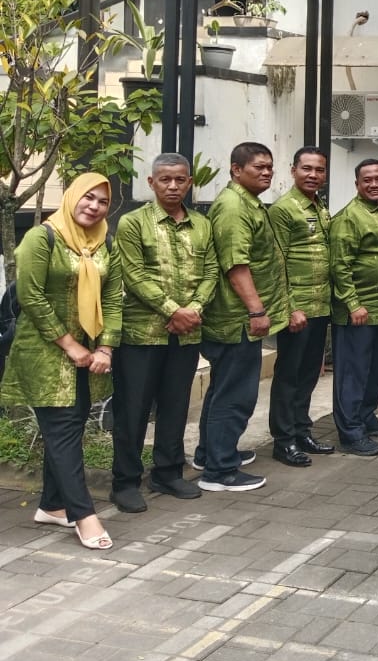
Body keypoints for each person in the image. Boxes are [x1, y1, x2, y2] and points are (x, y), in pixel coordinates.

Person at [1, 174, 119, 549]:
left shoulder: (104, 242)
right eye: (88, 197)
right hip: (44, 352)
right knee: (64, 429)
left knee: (72, 423)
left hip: (88, 353)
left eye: (102, 201)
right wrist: (70, 345)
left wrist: (105, 348)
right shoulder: (42, 238)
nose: (94, 206)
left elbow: (113, 296)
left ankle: (52, 505)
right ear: (71, 197)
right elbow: (31, 297)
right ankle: (84, 515)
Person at [111, 155, 217, 513]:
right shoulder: (132, 223)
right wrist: (174, 311)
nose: (173, 186)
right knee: (133, 409)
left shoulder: (202, 224)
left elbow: (212, 272)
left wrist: (194, 310)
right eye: (165, 179)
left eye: (180, 179)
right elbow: (134, 275)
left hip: (186, 334)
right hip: (141, 334)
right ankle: (125, 481)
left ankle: (168, 473)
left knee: (175, 405)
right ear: (151, 182)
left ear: (190, 182)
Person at [198, 143, 296, 492]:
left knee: (223, 389)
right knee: (235, 396)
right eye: (259, 167)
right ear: (236, 170)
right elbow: (235, 265)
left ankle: (209, 454)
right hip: (236, 319)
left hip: (238, 319)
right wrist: (256, 309)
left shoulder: (247, 202)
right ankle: (219, 471)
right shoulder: (234, 207)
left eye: (270, 167)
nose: (267, 172)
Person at [329, 159, 378, 455]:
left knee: (377, 370)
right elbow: (340, 266)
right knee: (353, 373)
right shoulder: (350, 217)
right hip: (359, 312)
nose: (374, 184)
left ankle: (365, 416)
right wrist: (353, 303)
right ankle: (350, 432)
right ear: (357, 184)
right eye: (367, 180)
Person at [266, 146, 334, 467]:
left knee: (308, 375)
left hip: (320, 306)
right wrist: (290, 307)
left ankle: (302, 431)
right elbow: (276, 262)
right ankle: (283, 441)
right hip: (298, 310)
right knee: (289, 376)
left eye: (319, 170)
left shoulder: (319, 205)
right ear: (293, 170)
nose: (313, 175)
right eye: (307, 169)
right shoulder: (283, 209)